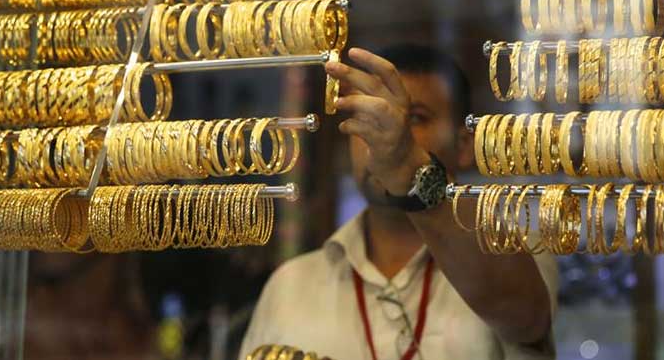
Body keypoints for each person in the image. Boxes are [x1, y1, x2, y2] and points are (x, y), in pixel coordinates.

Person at [239, 45, 558, 360]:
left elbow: (525, 319)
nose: (385, 132)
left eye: (415, 118)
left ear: (463, 146)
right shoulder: (291, 284)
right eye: (369, 115)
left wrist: (412, 172)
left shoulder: (511, 252)